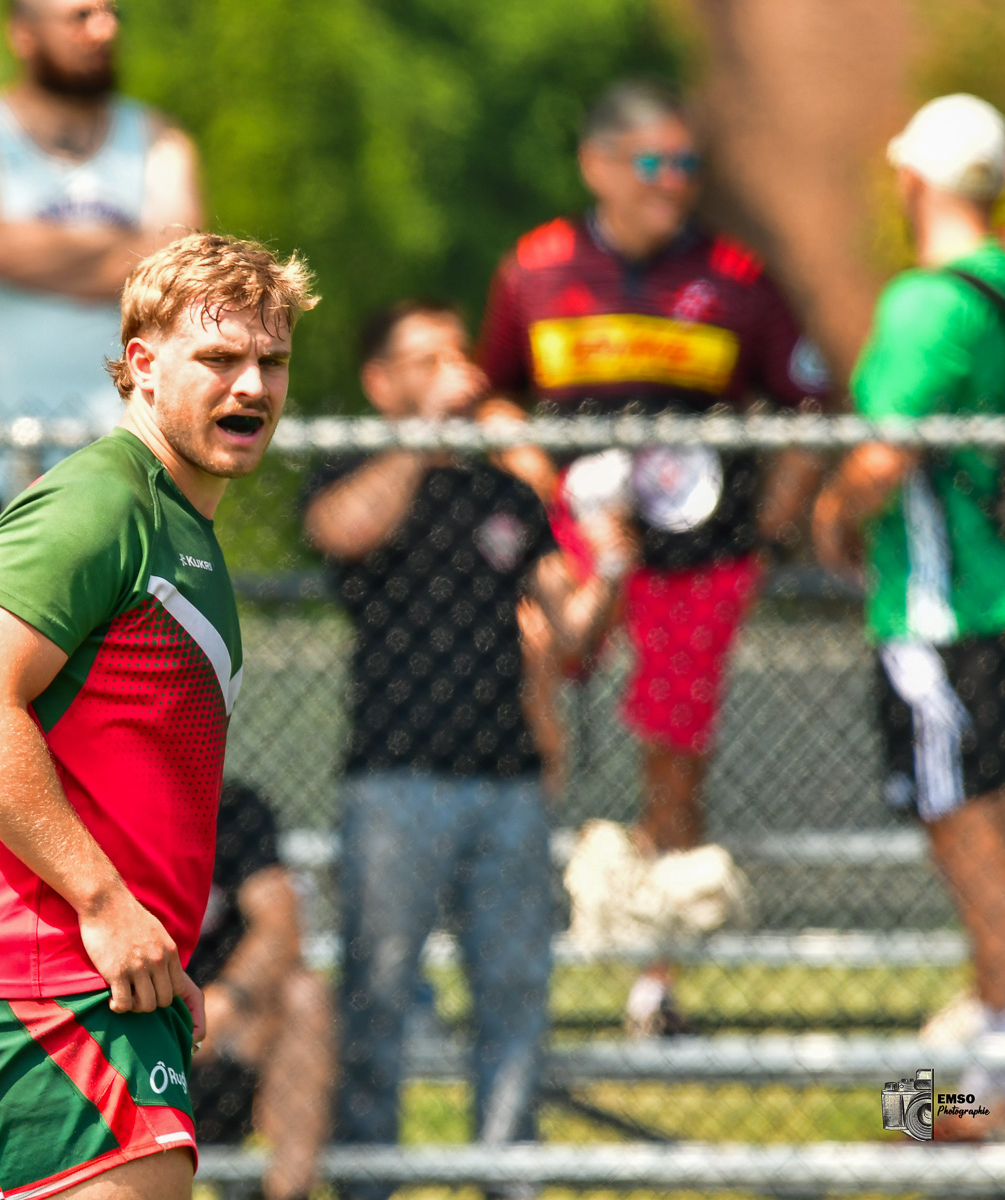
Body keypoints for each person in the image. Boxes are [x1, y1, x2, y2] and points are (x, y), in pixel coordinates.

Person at [0, 234, 316, 1200]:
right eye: (219, 359)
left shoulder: (185, 526)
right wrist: (104, 904)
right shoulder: (99, 501)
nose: (250, 386)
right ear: (141, 363)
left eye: (272, 361)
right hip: (48, 980)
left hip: (97, 985)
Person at [474, 79, 831, 1036]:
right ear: (598, 165)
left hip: (698, 559)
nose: (676, 181)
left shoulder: (735, 274)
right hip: (571, 546)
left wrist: (771, 528)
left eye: (687, 163)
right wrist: (533, 473)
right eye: (654, 163)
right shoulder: (536, 268)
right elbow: (491, 391)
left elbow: (810, 404)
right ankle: (515, 944)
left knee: (672, 759)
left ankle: (654, 980)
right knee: (519, 711)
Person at [303, 301, 627, 1179]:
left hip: (508, 785)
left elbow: (569, 630)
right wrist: (423, 433)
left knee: (515, 996)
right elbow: (344, 531)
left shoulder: (508, 494)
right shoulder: (347, 468)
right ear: (381, 383)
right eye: (426, 357)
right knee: (375, 996)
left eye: (458, 355)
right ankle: (369, 1178)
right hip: (394, 782)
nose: (456, 370)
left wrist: (616, 558)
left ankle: (507, 1174)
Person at [812, 94, 1005, 1141]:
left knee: (979, 850)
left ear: (912, 180)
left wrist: (831, 518)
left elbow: (881, 453)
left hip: (942, 618)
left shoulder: (925, 302)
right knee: (994, 840)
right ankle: (991, 1078)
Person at [0, 0, 202, 562]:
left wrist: (32, 251)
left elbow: (182, 264)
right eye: (80, 16)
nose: (103, 30)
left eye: (112, 13)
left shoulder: (158, 139)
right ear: (23, 33)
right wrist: (134, 257)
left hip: (135, 452)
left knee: (130, 649)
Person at [187, 781, 332, 1200]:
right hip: (135, 1027)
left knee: (306, 994)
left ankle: (287, 1194)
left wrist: (227, 999)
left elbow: (281, 925)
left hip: (227, 1035)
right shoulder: (104, 807)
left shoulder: (232, 807)